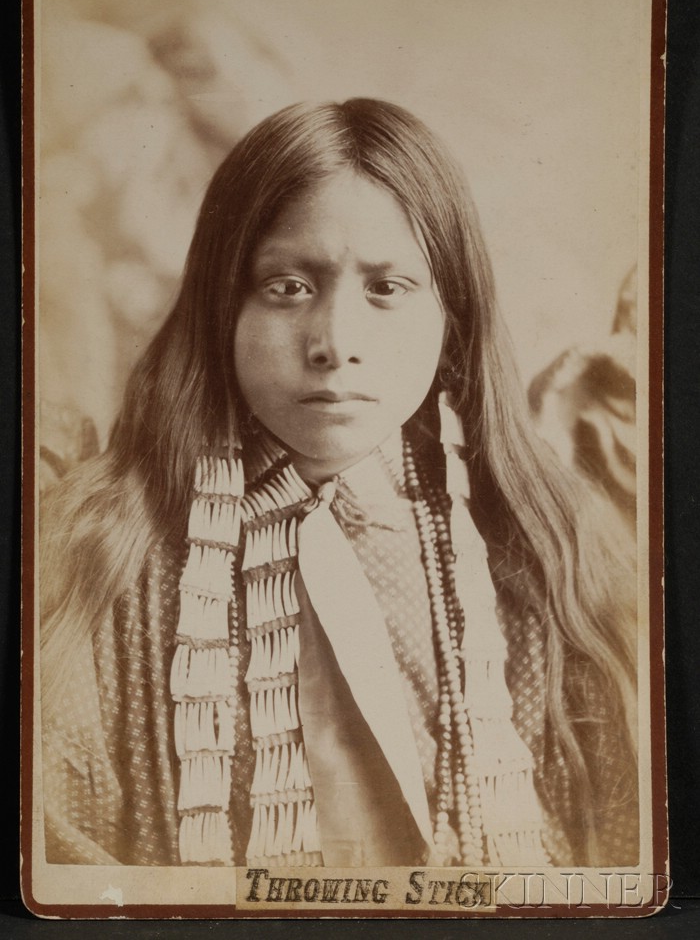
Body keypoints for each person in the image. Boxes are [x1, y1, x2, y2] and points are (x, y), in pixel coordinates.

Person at [39, 98, 639, 870]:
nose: (335, 344)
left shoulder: (549, 551)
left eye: (387, 288)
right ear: (222, 309)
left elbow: (621, 852)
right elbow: (62, 859)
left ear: (453, 320)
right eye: (288, 286)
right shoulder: (100, 553)